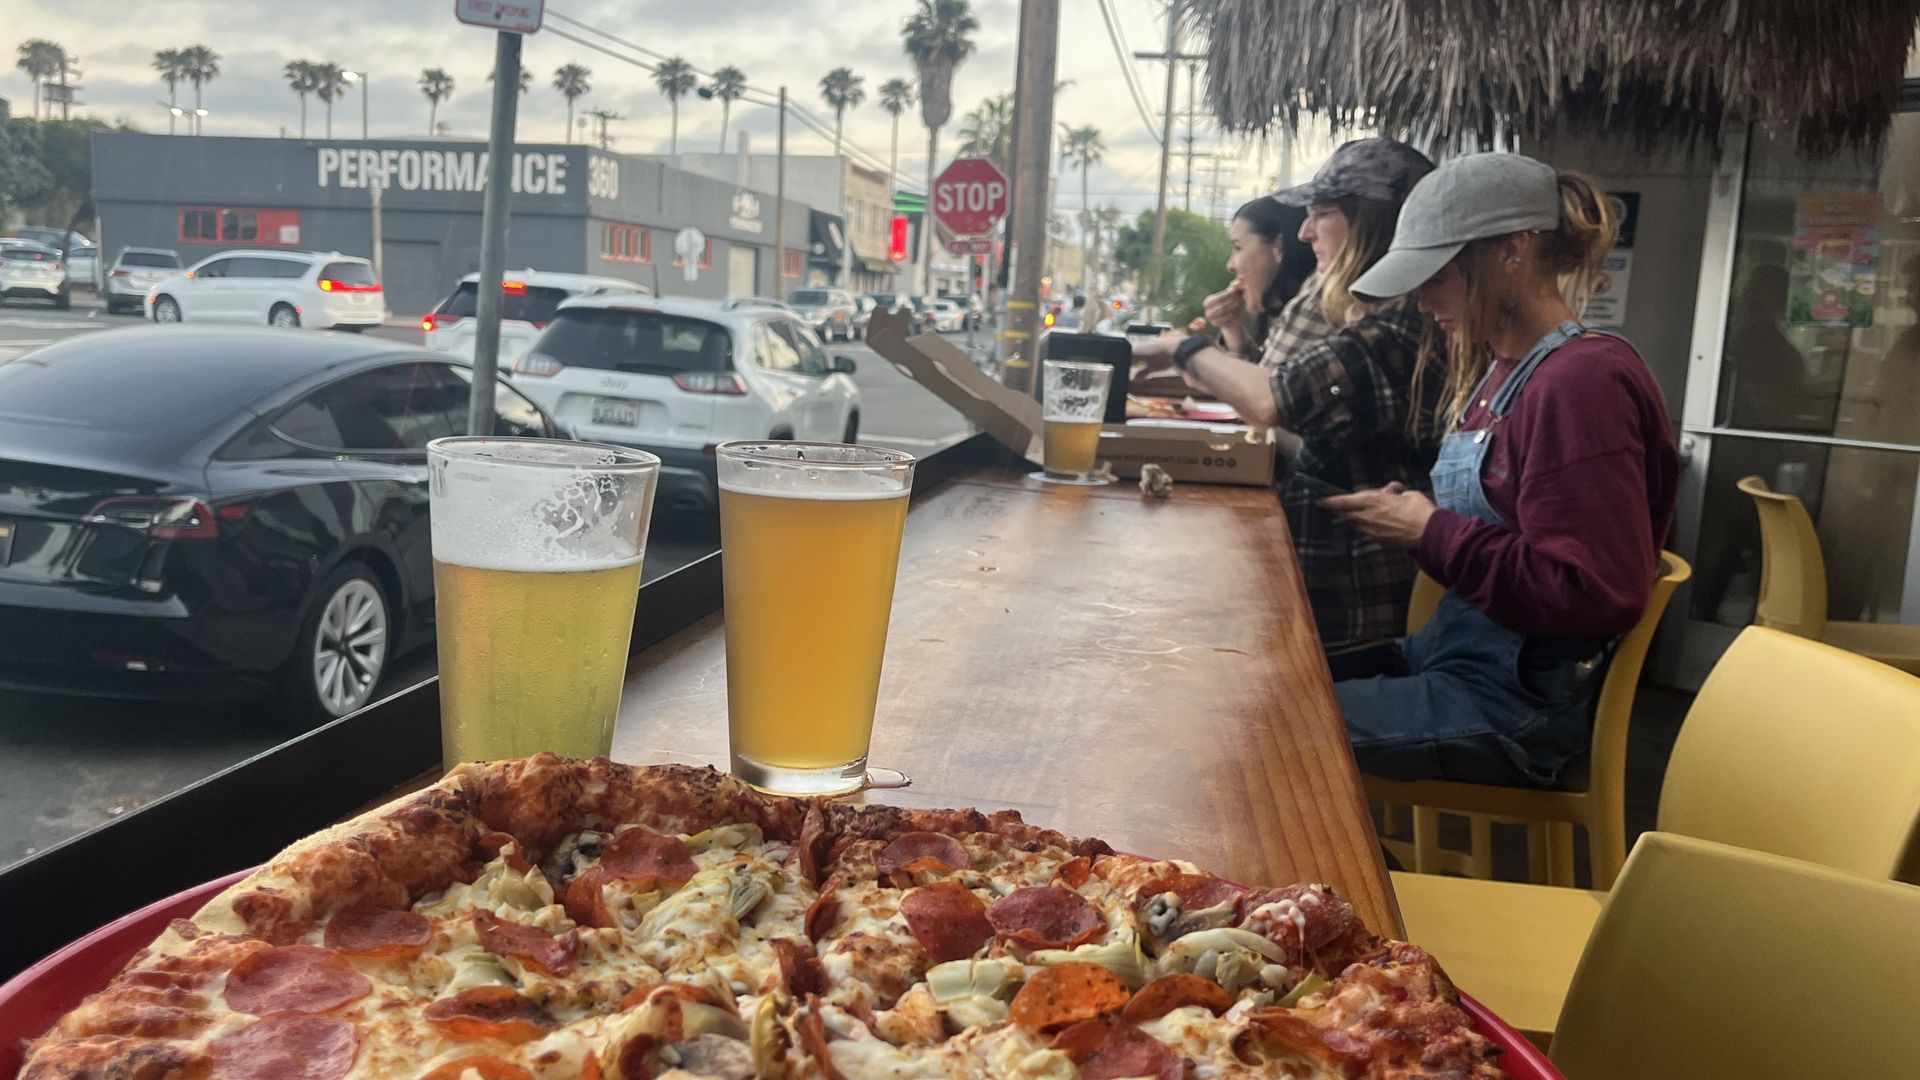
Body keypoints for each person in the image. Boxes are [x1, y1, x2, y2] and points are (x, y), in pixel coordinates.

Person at [1324, 153, 1680, 788]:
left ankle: (1345, 888)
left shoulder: (1581, 382)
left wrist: (1431, 531)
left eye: (1436, 274)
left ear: (1513, 250)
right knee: (1269, 691)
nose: (1422, 298)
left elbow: (1592, 593)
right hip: (1453, 659)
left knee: (1270, 731)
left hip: (1519, 704)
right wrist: (1418, 523)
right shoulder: (1506, 372)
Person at [1135, 138, 1443, 677]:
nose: (1304, 232)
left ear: (1374, 225)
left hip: (1353, 620)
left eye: (1321, 215)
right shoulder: (1393, 318)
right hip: (1333, 593)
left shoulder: (1400, 326)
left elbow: (1270, 397)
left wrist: (1179, 347)